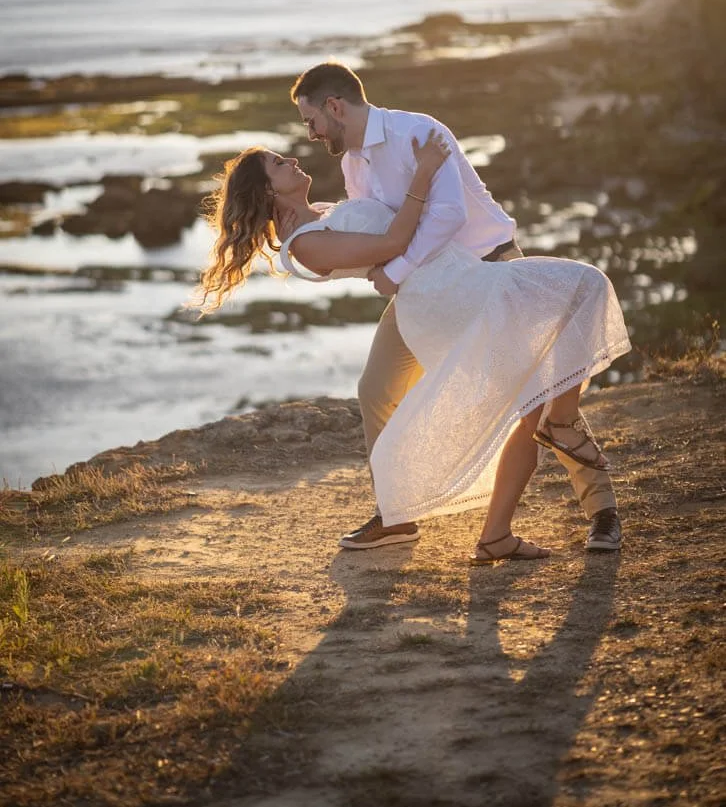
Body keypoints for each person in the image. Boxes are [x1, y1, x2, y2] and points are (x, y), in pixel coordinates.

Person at [195, 134, 631, 564]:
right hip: (442, 295)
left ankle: (515, 514)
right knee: (565, 318)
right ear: (269, 190)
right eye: (277, 163)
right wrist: (424, 172)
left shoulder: (329, 204)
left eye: (306, 129)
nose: (295, 155)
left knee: (567, 320)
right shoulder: (305, 245)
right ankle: (416, 514)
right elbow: (391, 244)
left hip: (458, 275)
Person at [289, 62, 624, 553]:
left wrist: (395, 272)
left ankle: (602, 512)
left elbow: (448, 214)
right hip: (430, 289)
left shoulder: (418, 133)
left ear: (334, 107)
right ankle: (396, 514)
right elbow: (381, 231)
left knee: (534, 396)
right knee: (376, 388)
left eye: (310, 120)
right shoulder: (352, 164)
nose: (311, 133)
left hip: (491, 270)